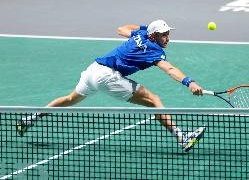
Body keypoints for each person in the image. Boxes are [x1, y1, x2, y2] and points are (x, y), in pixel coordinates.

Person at [16, 19, 205, 152]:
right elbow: (170, 69)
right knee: (154, 100)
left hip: (93, 70)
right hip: (107, 76)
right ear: (154, 36)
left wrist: (144, 28)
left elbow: (121, 29)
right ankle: (182, 138)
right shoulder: (154, 50)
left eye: (168, 34)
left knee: (70, 99)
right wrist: (190, 82)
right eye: (164, 35)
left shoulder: (140, 34)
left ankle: (29, 119)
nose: (168, 39)